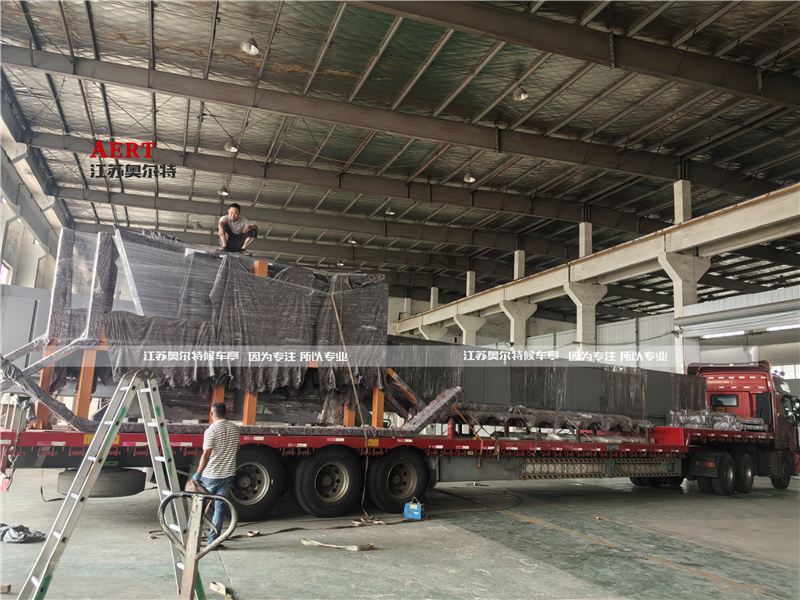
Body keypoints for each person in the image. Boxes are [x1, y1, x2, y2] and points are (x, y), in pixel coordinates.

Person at [193, 401, 240, 545]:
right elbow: (237, 447)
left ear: (211, 413)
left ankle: (192, 537)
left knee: (199, 507)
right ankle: (213, 541)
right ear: (226, 413)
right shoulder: (234, 428)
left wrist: (198, 473)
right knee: (220, 508)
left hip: (211, 476)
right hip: (228, 474)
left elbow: (206, 454)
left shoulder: (211, 430)